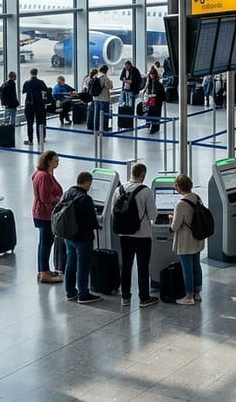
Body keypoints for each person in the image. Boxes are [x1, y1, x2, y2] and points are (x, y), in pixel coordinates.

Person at [115, 163, 159, 307]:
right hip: (143, 236)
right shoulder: (145, 191)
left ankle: (125, 297)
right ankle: (144, 298)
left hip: (124, 234)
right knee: (142, 267)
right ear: (143, 175)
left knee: (126, 266)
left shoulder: (119, 190)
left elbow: (113, 212)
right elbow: (152, 215)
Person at [61, 171, 103, 304]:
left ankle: (70, 291)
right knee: (83, 266)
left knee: (70, 263)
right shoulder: (85, 198)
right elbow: (90, 220)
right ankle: (83, 294)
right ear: (86, 182)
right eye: (90, 183)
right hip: (83, 238)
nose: (90, 186)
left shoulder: (67, 193)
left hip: (69, 236)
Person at [170, 174, 205, 305]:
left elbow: (175, 226)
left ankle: (189, 296)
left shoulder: (181, 203)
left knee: (187, 268)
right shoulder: (197, 197)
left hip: (185, 241)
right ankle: (197, 293)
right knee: (196, 264)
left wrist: (171, 219)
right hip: (197, 237)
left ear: (179, 187)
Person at [31, 150, 63, 284]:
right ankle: (44, 273)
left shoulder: (40, 174)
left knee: (43, 243)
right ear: (49, 161)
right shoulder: (44, 176)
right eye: (55, 161)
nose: (57, 163)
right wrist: (58, 199)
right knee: (46, 243)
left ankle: (42, 270)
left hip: (40, 213)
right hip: (45, 214)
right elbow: (45, 197)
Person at [21, 68, 51, 146]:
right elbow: (46, 92)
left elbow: (23, 91)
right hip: (39, 105)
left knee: (29, 123)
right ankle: (40, 139)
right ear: (37, 73)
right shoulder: (41, 82)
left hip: (29, 105)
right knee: (40, 123)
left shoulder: (27, 83)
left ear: (30, 73)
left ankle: (30, 140)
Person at [140, 67, 166, 134]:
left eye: (153, 74)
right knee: (151, 113)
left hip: (157, 102)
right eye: (151, 74)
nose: (152, 76)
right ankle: (152, 126)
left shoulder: (159, 84)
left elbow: (162, 93)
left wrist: (155, 95)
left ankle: (155, 127)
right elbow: (147, 91)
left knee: (156, 114)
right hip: (151, 102)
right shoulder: (149, 84)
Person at [88, 64, 113, 131]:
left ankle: (96, 128)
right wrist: (111, 82)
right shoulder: (104, 77)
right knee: (104, 115)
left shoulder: (95, 76)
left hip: (95, 98)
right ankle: (104, 129)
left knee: (96, 114)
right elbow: (110, 86)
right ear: (106, 70)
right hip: (104, 99)